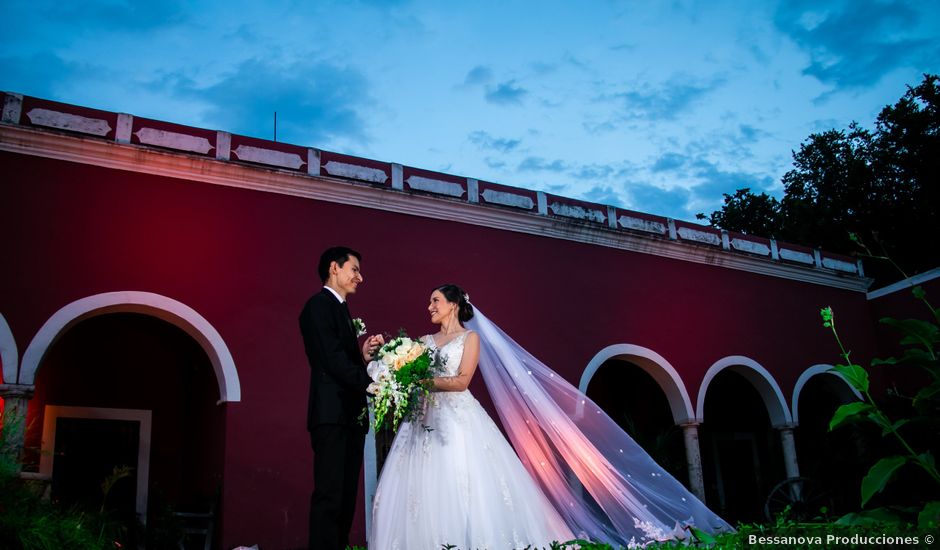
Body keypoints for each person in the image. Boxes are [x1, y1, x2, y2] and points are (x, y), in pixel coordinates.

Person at [369, 284, 732, 549]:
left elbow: (462, 381)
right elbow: (399, 366)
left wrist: (420, 378)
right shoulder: (423, 343)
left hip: (459, 421)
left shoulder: (470, 340)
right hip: (425, 423)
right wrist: (386, 363)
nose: (428, 305)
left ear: (452, 305)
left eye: (435, 300)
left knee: (468, 485)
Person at [299, 246, 384, 550]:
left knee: (346, 500)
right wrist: (373, 383)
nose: (360, 277)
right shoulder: (318, 306)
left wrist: (362, 356)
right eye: (355, 269)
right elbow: (331, 359)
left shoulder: (341, 310)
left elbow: (341, 358)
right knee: (330, 497)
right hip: (331, 415)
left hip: (349, 416)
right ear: (334, 268)